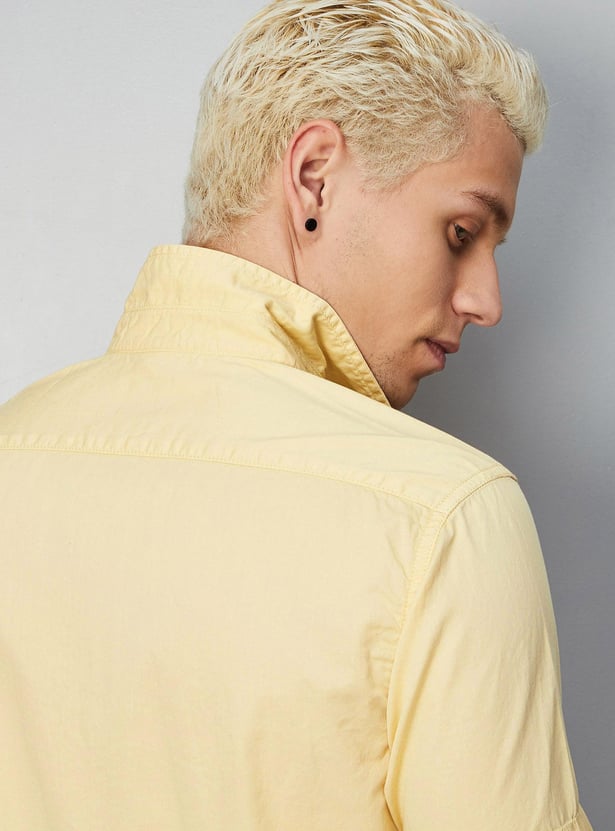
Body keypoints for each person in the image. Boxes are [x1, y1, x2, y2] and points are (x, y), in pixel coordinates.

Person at [0, 0, 593, 828]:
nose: (485, 300)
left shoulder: (13, 455)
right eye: (461, 231)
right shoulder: (443, 518)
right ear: (313, 177)